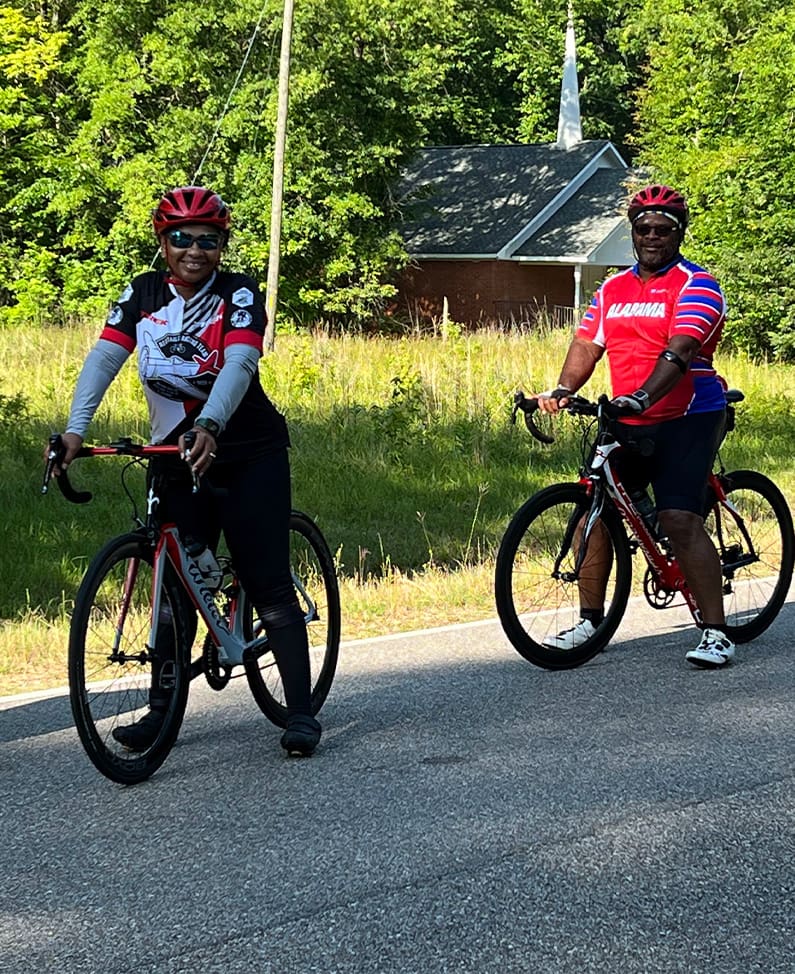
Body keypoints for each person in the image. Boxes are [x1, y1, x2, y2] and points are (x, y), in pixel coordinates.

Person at [49, 185, 322, 754]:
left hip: (247, 452)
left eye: (208, 240)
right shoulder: (143, 293)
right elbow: (104, 358)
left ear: (222, 246)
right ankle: (161, 710)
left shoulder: (237, 293)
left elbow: (240, 361)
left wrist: (213, 425)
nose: (194, 250)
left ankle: (300, 712)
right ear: (163, 242)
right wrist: (75, 430)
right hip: (174, 454)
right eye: (181, 238)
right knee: (173, 590)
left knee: (267, 582)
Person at [537, 183, 735, 668]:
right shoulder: (612, 289)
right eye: (643, 229)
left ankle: (716, 631)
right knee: (592, 509)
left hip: (689, 415)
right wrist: (562, 388)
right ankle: (590, 622)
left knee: (679, 518)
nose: (652, 237)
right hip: (627, 416)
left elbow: (681, 349)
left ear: (678, 234)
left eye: (662, 230)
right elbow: (587, 344)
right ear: (633, 232)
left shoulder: (698, 285)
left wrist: (645, 395)